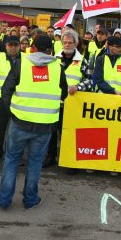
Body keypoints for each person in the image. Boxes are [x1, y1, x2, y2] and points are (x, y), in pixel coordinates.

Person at [0, 35, 60, 209]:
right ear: (50, 50)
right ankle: (30, 199)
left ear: (32, 47)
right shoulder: (58, 67)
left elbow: (6, 90)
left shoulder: (22, 63)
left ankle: (4, 200)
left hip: (20, 122)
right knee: (34, 163)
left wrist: (13, 111)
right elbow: (62, 93)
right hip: (45, 125)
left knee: (11, 160)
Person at [45, 28, 83, 168]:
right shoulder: (55, 59)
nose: (66, 45)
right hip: (56, 102)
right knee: (52, 132)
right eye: (64, 42)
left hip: (73, 103)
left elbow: (90, 80)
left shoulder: (82, 61)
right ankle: (50, 157)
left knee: (69, 134)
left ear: (76, 44)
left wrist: (78, 87)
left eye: (70, 43)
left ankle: (69, 162)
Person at [0, 35, 22, 162]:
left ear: (19, 46)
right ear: (5, 46)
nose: (12, 48)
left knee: (17, 130)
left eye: (15, 45)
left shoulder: (26, 60)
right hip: (1, 100)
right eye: (10, 45)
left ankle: (13, 155)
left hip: (18, 100)